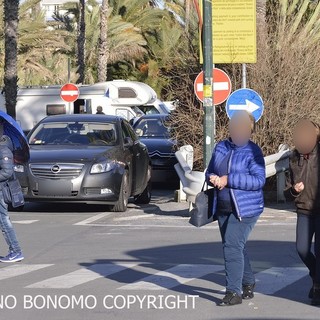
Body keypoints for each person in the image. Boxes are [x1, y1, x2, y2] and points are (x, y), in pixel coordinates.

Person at [206, 111, 266, 306]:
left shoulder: (253, 151)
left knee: (232, 245)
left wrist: (228, 179)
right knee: (235, 246)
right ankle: (248, 282)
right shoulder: (221, 147)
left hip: (246, 208)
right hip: (222, 205)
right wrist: (213, 178)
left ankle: (234, 292)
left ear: (250, 130)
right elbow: (210, 170)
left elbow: (258, 180)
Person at [284, 119, 320, 305]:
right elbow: (287, 190)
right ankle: (315, 275)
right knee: (302, 249)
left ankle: (318, 288)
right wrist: (294, 191)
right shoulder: (293, 158)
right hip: (304, 210)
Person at [0, 133, 24, 263]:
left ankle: (16, 251)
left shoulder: (3, 150)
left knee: (4, 221)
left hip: (1, 191)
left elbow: (6, 172)